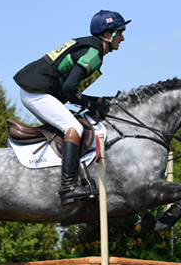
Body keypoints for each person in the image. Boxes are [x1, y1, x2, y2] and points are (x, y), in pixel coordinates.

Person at [14, 10, 130, 205]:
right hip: (36, 92)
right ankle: (68, 186)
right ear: (108, 35)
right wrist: (91, 104)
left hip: (39, 90)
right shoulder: (94, 54)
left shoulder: (90, 47)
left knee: (74, 124)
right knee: (74, 128)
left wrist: (97, 101)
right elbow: (69, 89)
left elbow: (71, 90)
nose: (123, 38)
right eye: (120, 32)